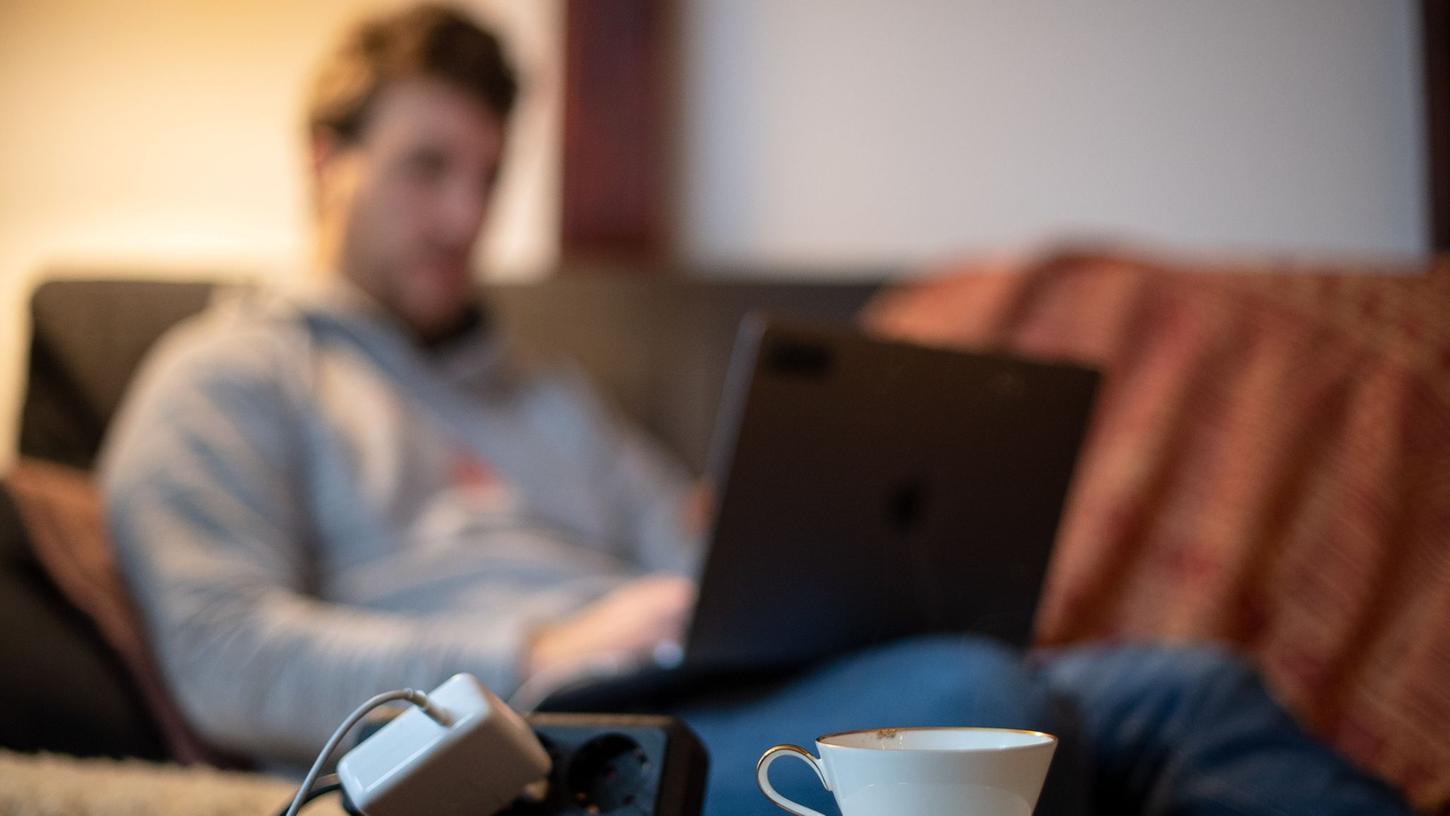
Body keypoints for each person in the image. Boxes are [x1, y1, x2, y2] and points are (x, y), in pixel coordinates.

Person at [99, 5, 1413, 814]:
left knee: (1188, 688)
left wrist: (796, 585)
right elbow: (226, 657)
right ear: (324, 158)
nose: (461, 216)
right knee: (969, 696)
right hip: (537, 743)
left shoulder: (543, 397)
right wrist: (541, 643)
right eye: (424, 167)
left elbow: (689, 563)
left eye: (486, 177)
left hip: (706, 682)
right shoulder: (228, 379)